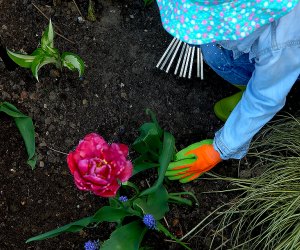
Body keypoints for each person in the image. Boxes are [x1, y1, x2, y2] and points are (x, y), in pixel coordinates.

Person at [156, 0, 300, 183]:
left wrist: (219, 149)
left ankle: (245, 89)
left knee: (215, 53)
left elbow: (265, 98)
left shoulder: (282, 41)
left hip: (288, 59)